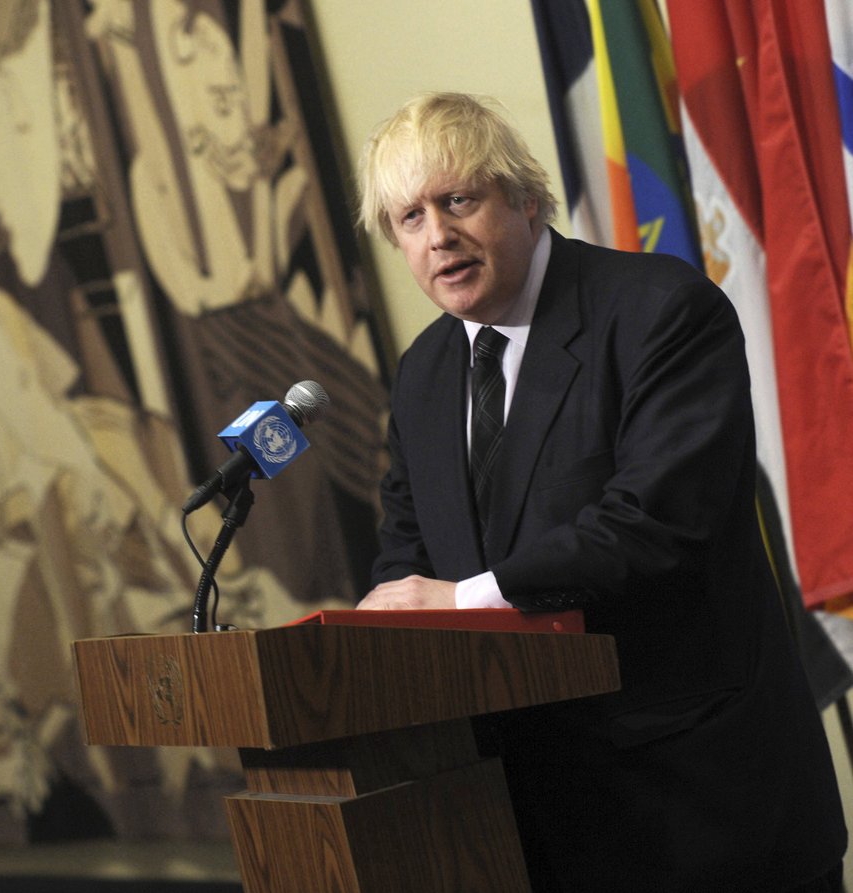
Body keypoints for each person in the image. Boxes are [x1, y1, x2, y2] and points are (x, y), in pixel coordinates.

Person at [355, 92, 847, 891]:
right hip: (533, 828)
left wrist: (462, 599)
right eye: (408, 218)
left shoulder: (658, 311)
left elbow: (651, 523)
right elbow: (406, 559)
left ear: (525, 196)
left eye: (458, 201)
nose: (437, 234)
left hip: (703, 811)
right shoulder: (422, 375)